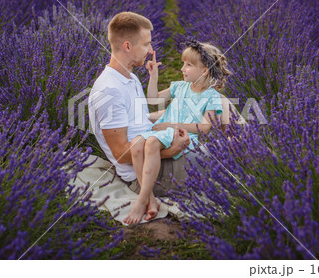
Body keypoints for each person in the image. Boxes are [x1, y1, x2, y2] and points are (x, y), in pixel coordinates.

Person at [88, 12, 192, 221]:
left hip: (155, 150)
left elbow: (140, 120)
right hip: (145, 175)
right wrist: (170, 152)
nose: (151, 51)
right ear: (127, 46)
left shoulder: (131, 78)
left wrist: (174, 116)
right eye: (146, 45)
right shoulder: (109, 91)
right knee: (224, 164)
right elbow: (120, 152)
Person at [124, 39, 232, 224]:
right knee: (138, 144)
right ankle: (149, 197)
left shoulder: (211, 96)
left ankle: (142, 200)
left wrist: (172, 125)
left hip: (185, 137)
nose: (182, 68)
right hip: (163, 131)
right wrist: (153, 76)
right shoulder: (179, 87)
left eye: (188, 65)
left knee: (150, 143)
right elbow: (153, 99)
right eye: (183, 63)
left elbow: (205, 128)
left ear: (204, 70)